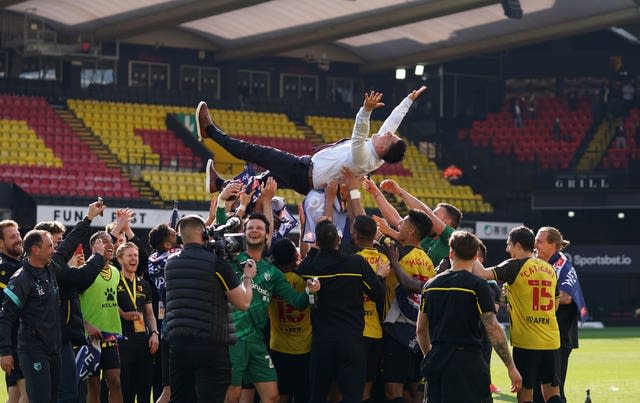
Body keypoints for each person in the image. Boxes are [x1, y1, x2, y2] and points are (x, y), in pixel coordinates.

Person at [197, 86, 428, 195]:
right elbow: (391, 123)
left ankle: (210, 132)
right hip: (306, 175)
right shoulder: (376, 155)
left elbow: (359, 132)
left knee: (255, 152)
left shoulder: (364, 156)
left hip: (303, 171)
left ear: (385, 147)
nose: (387, 132)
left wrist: (366, 111)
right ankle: (219, 185)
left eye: (389, 137)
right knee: (259, 183)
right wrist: (408, 100)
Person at [417, 230, 522, 402]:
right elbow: (493, 328)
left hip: (438, 359)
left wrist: (430, 354)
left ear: (451, 253)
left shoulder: (430, 285)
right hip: (468, 361)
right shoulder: (478, 285)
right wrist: (511, 367)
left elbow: (421, 330)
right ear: (475, 256)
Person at [225, 212, 319, 403]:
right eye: (250, 227)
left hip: (256, 342)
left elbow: (299, 303)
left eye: (259, 228)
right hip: (233, 339)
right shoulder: (231, 261)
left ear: (268, 235)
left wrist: (311, 290)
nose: (254, 230)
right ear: (243, 233)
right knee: (233, 394)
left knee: (272, 397)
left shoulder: (274, 273)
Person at [0, 230, 102, 403]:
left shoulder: (50, 269)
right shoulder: (21, 279)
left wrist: (88, 220)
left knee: (57, 398)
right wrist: (5, 351)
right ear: (35, 250)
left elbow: (66, 247)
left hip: (54, 348)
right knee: (40, 399)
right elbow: (5, 317)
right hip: (33, 350)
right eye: (49, 246)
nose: (54, 250)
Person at [164, 214, 255, 403]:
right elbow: (243, 303)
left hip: (178, 344)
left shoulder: (170, 264)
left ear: (181, 238)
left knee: (181, 398)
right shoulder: (216, 263)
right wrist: (247, 277)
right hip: (211, 344)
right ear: (205, 235)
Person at [297, 220, 386, 403]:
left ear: (318, 242)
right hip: (351, 341)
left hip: (322, 342)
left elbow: (302, 267)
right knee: (352, 397)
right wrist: (379, 276)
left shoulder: (310, 267)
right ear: (339, 239)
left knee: (318, 395)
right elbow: (377, 292)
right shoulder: (356, 263)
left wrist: (315, 249)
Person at [472, 226, 563, 403]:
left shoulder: (514, 266)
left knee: (525, 393)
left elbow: (481, 273)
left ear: (518, 245)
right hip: (552, 339)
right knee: (553, 393)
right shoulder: (549, 269)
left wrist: (470, 252)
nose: (507, 249)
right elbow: (556, 303)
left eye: (509, 244)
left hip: (527, 342)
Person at [533, 227, 588, 403]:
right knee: (536, 391)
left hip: (560, 337)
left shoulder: (564, 266)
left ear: (554, 246)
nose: (535, 245)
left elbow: (565, 297)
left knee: (555, 391)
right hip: (540, 335)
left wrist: (534, 298)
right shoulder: (536, 263)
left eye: (540, 241)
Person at [79, 231, 124, 403]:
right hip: (90, 337)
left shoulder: (115, 271)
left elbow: (107, 299)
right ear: (94, 247)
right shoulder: (85, 271)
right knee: (94, 386)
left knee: (115, 382)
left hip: (111, 334)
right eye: (104, 242)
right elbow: (73, 303)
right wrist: (85, 325)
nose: (110, 245)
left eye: (111, 241)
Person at [268, 238, 311, 403]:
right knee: (302, 394)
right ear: (295, 258)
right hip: (304, 348)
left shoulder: (270, 281)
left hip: (278, 347)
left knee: (281, 394)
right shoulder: (305, 281)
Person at [116, 242, 158, 403]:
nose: (134, 259)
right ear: (120, 259)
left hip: (142, 341)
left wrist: (154, 333)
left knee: (144, 389)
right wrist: (123, 314)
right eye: (129, 255)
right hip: (121, 341)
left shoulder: (144, 284)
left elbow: (149, 313)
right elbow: (108, 304)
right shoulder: (114, 281)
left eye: (136, 255)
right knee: (124, 389)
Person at [147, 223, 180, 403]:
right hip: (179, 323)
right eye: (175, 234)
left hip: (168, 323)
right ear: (167, 245)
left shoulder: (153, 259)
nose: (179, 235)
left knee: (168, 390)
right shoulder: (173, 258)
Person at [0, 220, 27, 403]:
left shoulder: (18, 264)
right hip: (15, 340)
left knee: (16, 394)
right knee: (31, 392)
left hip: (19, 338)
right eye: (12, 237)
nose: (18, 240)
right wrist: (5, 349)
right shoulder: (4, 269)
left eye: (18, 235)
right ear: (1, 243)